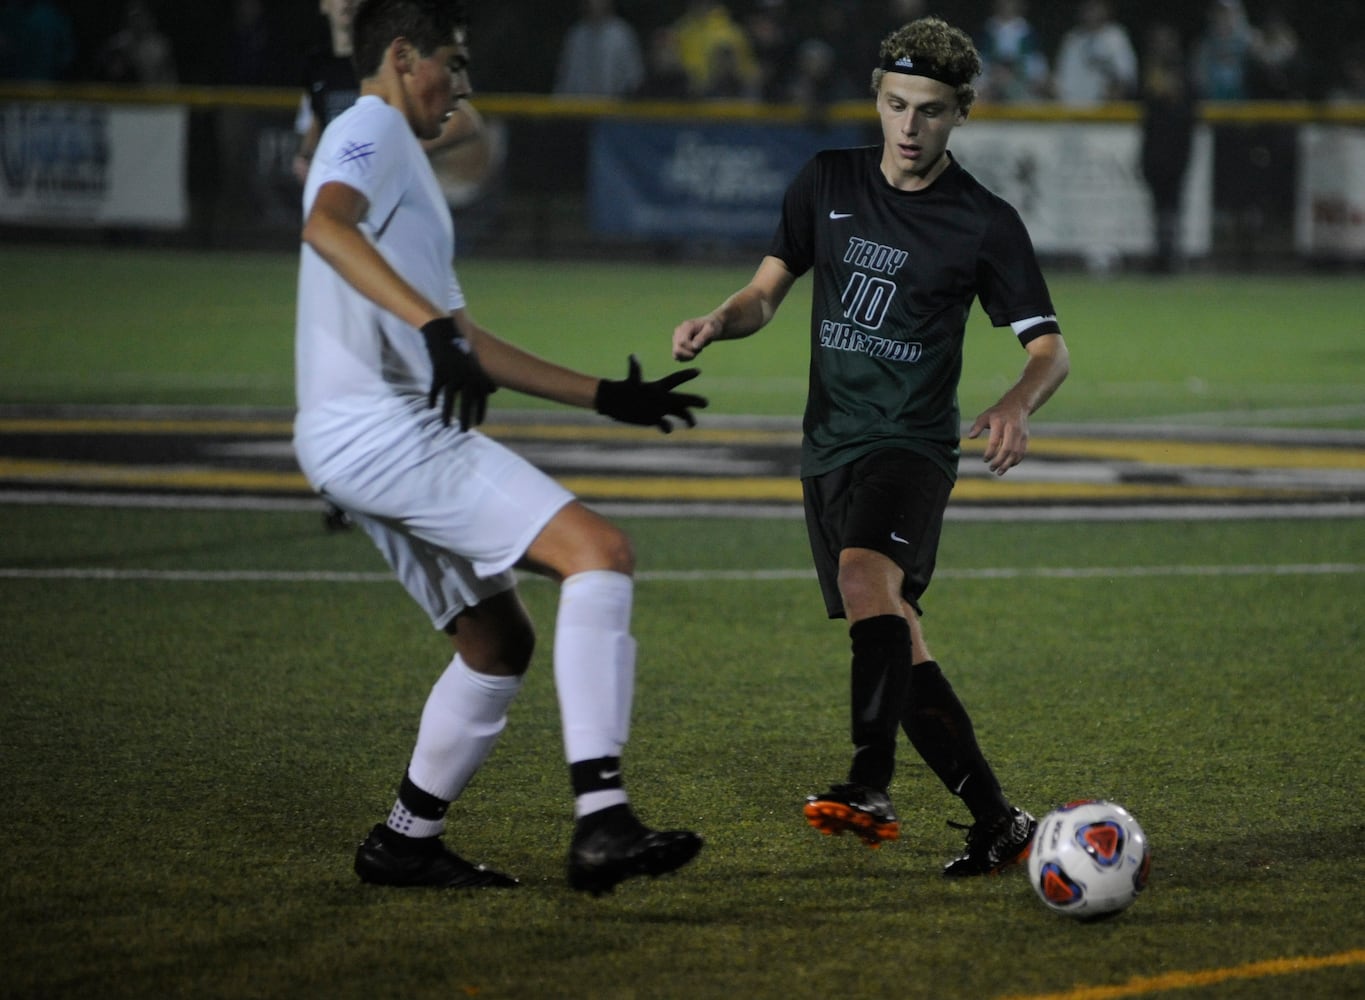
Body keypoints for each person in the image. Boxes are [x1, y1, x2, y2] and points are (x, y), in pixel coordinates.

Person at [295, 0, 706, 893]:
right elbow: (325, 224)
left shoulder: (402, 157)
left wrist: (606, 396)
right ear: (403, 58)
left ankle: (404, 839)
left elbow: (464, 338)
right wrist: (429, 332)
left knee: (496, 641)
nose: (465, 84)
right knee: (599, 553)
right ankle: (602, 819)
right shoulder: (369, 126)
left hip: (352, 438)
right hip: (382, 428)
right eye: (454, 61)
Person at [671, 15, 1069, 877]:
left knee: (864, 578)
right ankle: (996, 821)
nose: (908, 126)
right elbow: (765, 293)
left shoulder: (982, 221)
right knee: (898, 637)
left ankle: (869, 779)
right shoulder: (826, 181)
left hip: (912, 445)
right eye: (894, 105)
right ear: (876, 101)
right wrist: (718, 321)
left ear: (960, 112)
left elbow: (1049, 349)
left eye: (929, 110)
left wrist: (1014, 402)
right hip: (829, 449)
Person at [1139, 23, 1196, 274]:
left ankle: (1170, 256)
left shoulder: (1185, 77)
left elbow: (1191, 112)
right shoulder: (1149, 77)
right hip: (1155, 154)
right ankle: (1161, 255)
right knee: (1160, 208)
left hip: (1175, 153)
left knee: (1171, 208)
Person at [552, 0, 644, 98]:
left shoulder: (621, 34)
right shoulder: (577, 35)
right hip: (580, 107)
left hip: (614, 107)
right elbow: (566, 77)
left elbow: (634, 78)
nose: (595, 4)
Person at [1051, 0, 1136, 104]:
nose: (1090, 12)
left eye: (1095, 7)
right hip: (1071, 110)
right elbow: (1058, 79)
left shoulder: (1116, 37)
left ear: (1106, 9)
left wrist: (1115, 95)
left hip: (1103, 111)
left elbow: (1126, 76)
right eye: (1087, 7)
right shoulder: (1072, 39)